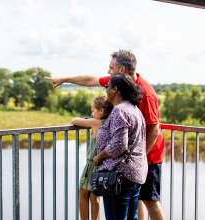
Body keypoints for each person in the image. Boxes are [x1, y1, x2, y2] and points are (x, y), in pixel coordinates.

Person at [46, 49, 165, 220]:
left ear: (121, 71)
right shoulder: (130, 102)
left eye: (111, 68)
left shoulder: (144, 94)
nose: (108, 73)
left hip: (145, 157)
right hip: (133, 164)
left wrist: (103, 157)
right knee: (134, 203)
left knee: (149, 200)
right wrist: (64, 79)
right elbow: (90, 80)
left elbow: (153, 130)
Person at [93, 73, 147, 220]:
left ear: (115, 89)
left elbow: (119, 145)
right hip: (135, 173)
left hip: (119, 175)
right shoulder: (134, 109)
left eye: (107, 86)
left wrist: (99, 156)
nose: (105, 90)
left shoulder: (119, 110)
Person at [71, 96, 113, 220]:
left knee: (82, 192)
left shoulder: (95, 122)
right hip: (103, 165)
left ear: (101, 111)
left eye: (93, 110)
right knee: (95, 196)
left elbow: (74, 120)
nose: (91, 113)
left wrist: (88, 120)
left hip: (92, 164)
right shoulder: (111, 123)